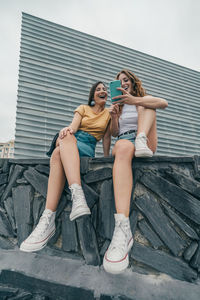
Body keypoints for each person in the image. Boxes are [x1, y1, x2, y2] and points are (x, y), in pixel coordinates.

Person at [20, 81, 111, 252]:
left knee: (58, 152)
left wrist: (106, 159)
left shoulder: (108, 115)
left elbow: (107, 138)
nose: (102, 91)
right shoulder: (83, 108)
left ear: (107, 95)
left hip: (87, 147)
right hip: (73, 141)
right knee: (62, 144)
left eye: (104, 89)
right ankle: (69, 203)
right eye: (98, 89)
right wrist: (67, 130)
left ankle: (50, 218)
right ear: (92, 95)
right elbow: (74, 127)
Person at [103, 69, 168, 274]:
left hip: (145, 139)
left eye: (125, 80)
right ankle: (122, 227)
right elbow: (114, 133)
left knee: (146, 102)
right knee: (122, 146)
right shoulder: (118, 107)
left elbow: (163, 103)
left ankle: (140, 140)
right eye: (119, 82)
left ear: (132, 82)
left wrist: (135, 100)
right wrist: (114, 116)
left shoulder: (139, 98)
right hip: (124, 141)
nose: (123, 83)